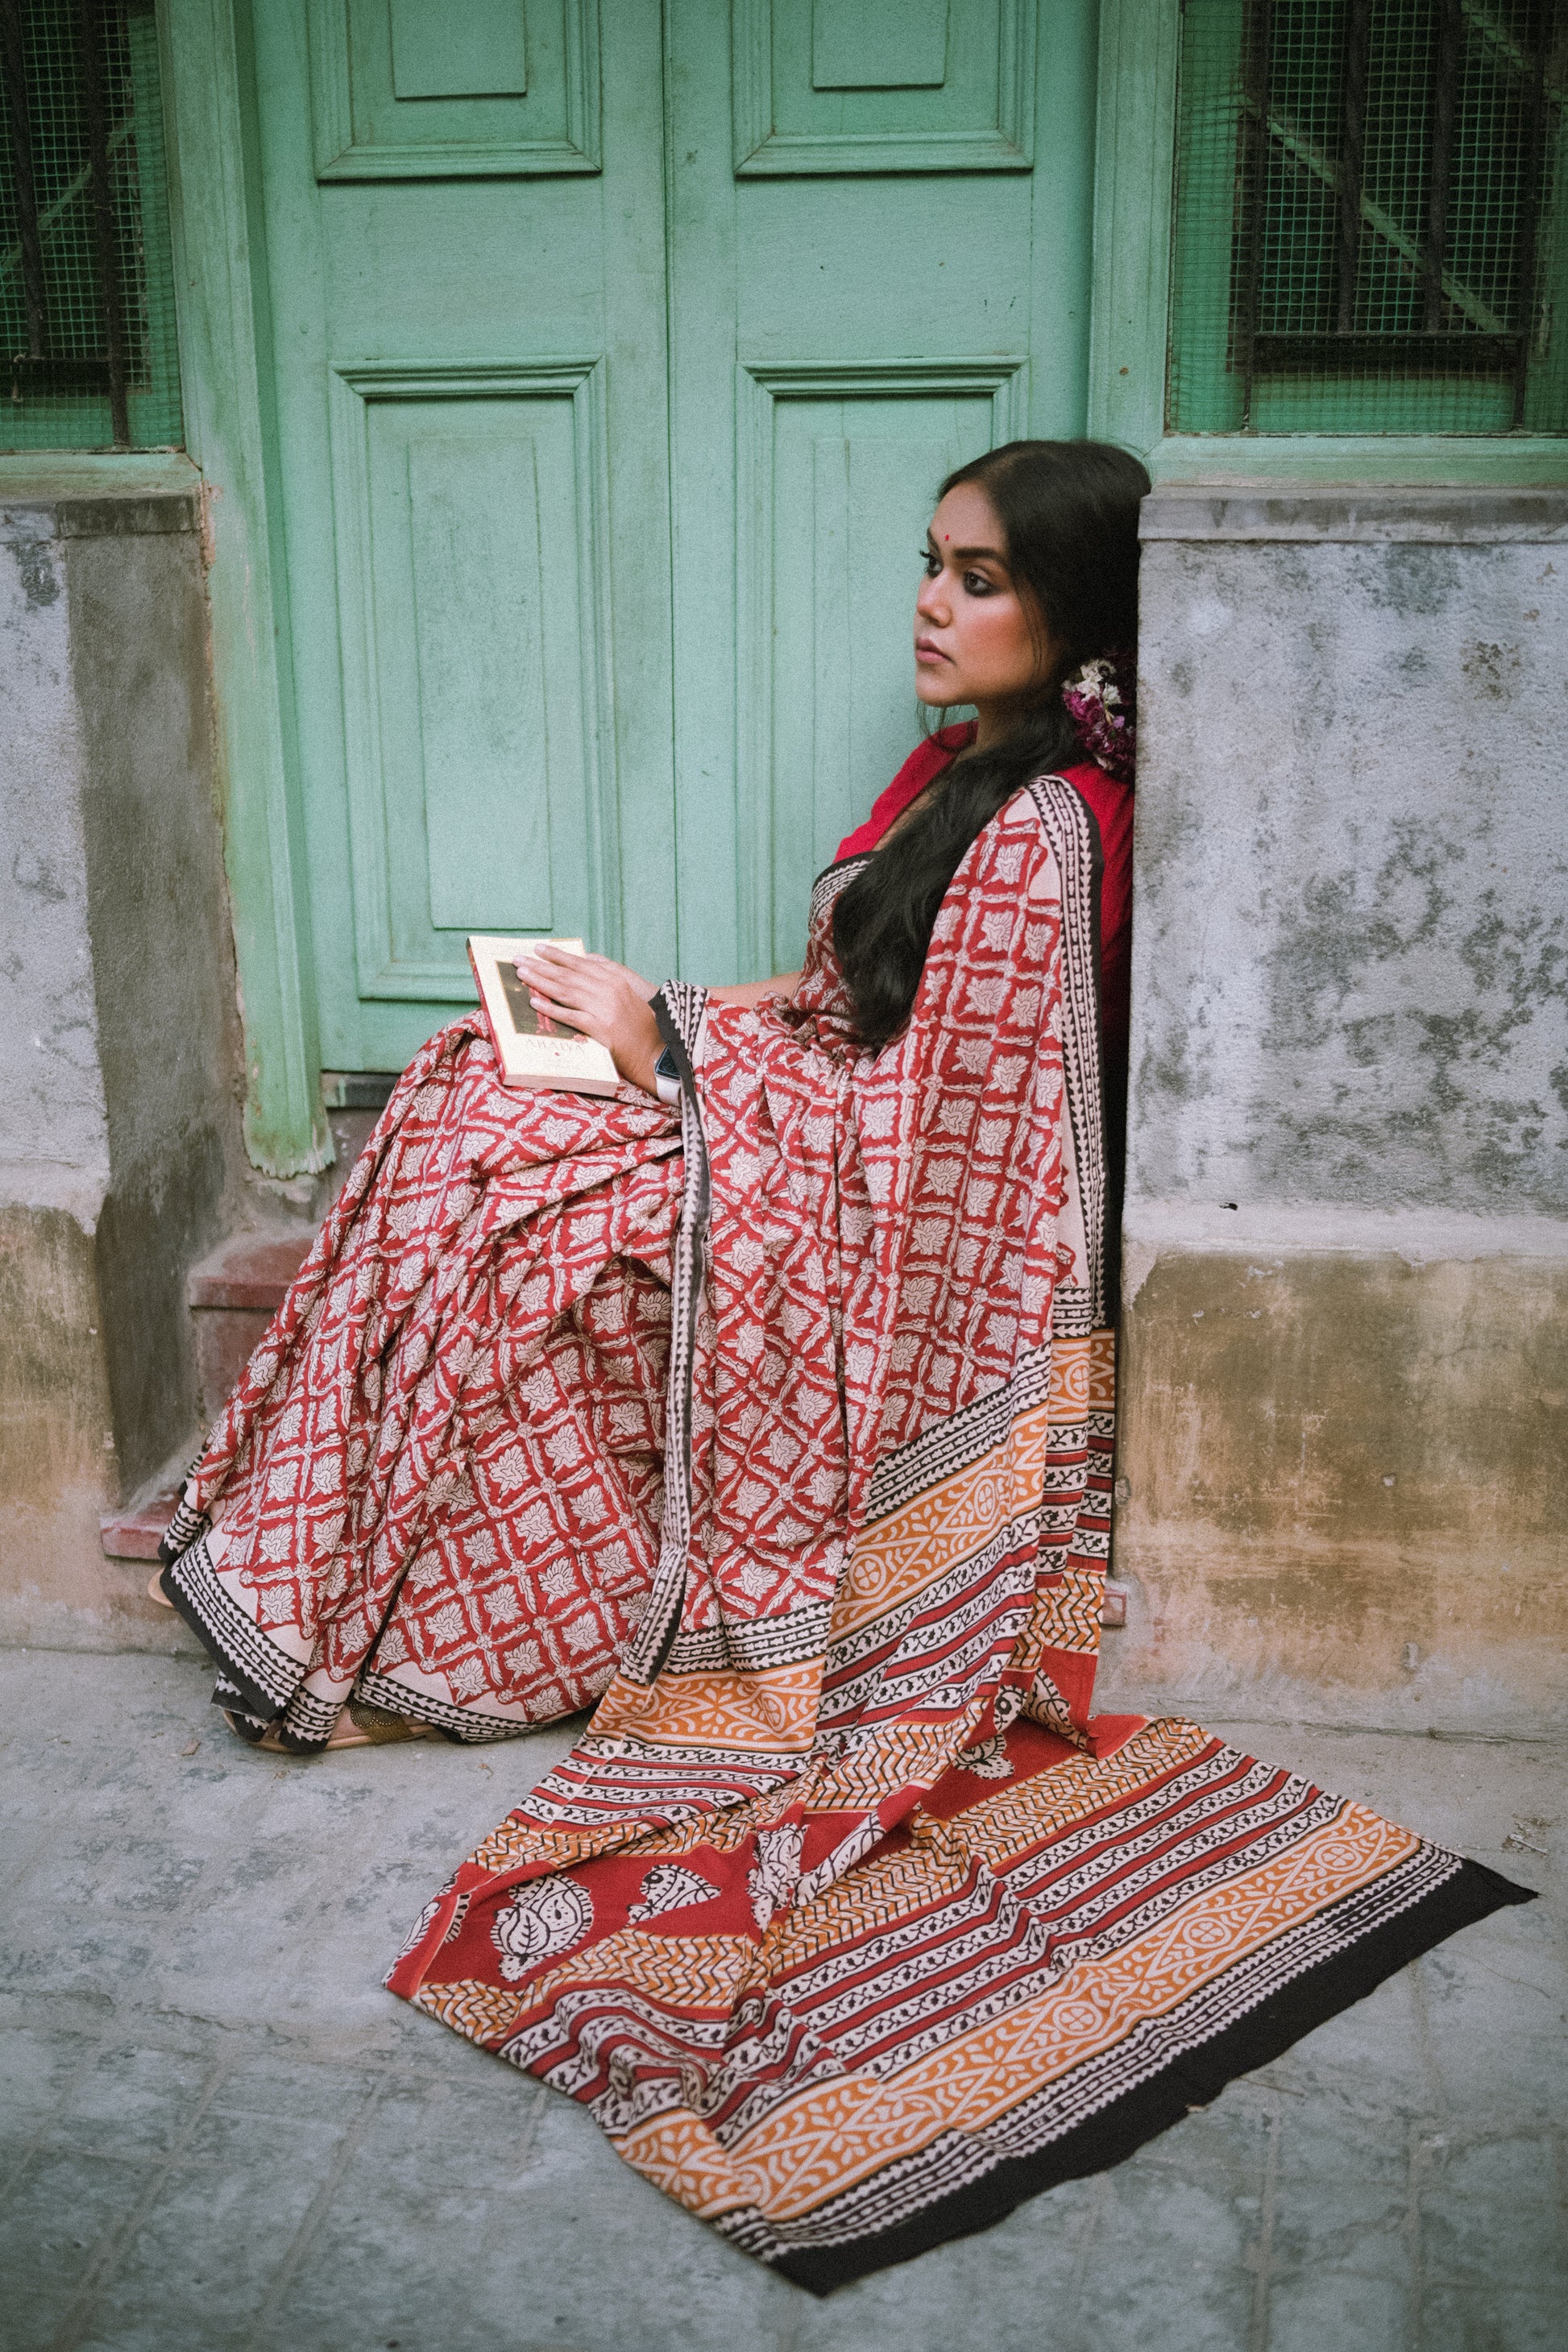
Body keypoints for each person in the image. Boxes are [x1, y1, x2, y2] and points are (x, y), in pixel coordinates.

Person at [164, 442, 1527, 2287]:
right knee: (464, 1085)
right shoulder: (964, 773)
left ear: (1075, 614)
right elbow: (846, 1025)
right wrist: (659, 1023)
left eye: (975, 577)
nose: (929, 601)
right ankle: (298, 1551)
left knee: (526, 1213)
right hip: (790, 1148)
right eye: (929, 564)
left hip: (871, 1266)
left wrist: (669, 1059)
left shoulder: (1053, 837)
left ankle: (431, 1637)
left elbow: (937, 1155)